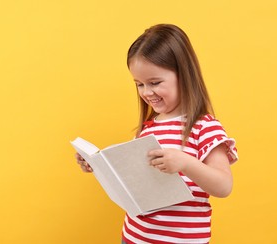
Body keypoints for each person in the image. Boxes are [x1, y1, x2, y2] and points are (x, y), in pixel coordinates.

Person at [75, 24, 238, 244]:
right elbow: (132, 182)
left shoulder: (204, 127)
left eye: (154, 82)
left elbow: (224, 186)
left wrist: (185, 163)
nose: (146, 92)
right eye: (139, 84)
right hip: (134, 237)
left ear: (183, 75)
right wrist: (98, 166)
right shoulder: (147, 129)